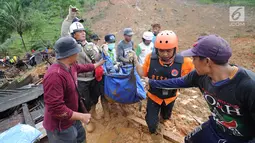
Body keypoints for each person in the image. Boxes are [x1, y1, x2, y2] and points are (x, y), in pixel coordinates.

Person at [145, 35, 255, 143]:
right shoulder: (200, 76)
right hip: (216, 126)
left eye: (194, 58)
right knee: (189, 140)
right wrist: (151, 82)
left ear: (207, 61)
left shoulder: (248, 85)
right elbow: (177, 82)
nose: (192, 62)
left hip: (242, 138)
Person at [134, 30, 194, 142]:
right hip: (154, 96)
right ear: (156, 49)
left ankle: (162, 121)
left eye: (168, 51)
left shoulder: (185, 62)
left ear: (175, 49)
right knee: (151, 122)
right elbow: (143, 73)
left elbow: (194, 77)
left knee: (166, 117)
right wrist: (135, 61)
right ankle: (156, 136)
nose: (165, 54)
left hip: (170, 98)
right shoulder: (150, 59)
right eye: (161, 51)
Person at [43, 37, 105, 143]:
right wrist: (81, 116)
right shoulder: (55, 76)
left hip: (73, 118)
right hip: (60, 127)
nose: (78, 54)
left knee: (81, 138)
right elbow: (56, 108)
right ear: (70, 54)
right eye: (77, 52)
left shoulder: (71, 66)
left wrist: (99, 63)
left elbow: (84, 67)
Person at [69, 21, 103, 133]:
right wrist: (71, 17)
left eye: (83, 31)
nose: (83, 33)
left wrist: (99, 51)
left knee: (95, 97)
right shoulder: (72, 47)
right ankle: (87, 121)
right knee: (84, 101)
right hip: (81, 79)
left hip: (93, 77)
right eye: (79, 32)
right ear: (73, 35)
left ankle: (93, 114)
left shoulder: (91, 45)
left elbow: (98, 57)